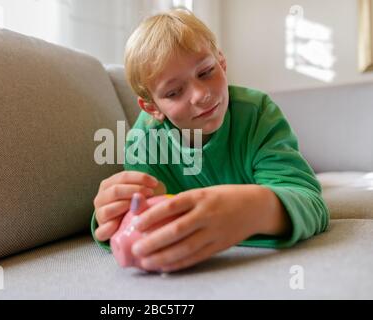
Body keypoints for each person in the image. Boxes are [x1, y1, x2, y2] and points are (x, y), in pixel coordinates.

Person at [91, 9, 329, 273]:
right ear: (152, 108)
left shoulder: (257, 113)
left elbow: (310, 203)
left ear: (222, 64)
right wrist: (113, 216)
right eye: (174, 92)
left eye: (205, 72)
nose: (201, 94)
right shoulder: (145, 140)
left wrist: (250, 210)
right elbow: (136, 219)